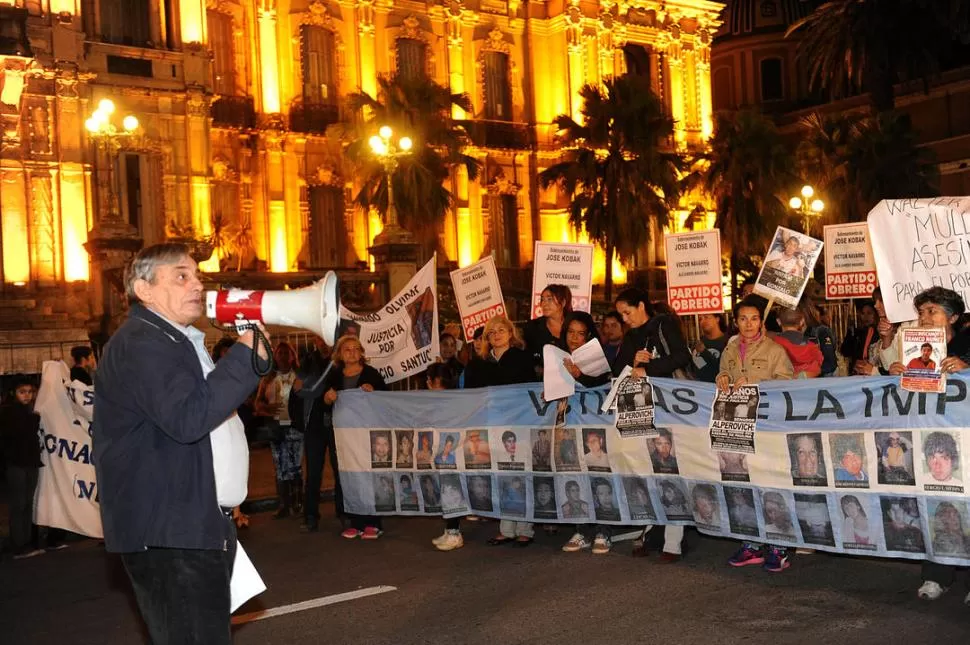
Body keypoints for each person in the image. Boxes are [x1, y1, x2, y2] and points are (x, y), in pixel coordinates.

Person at [93, 243, 264, 644]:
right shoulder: (143, 343)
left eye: (197, 276)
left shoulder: (173, 339)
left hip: (192, 525)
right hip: (171, 533)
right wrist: (244, 358)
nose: (197, 285)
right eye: (181, 276)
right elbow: (188, 419)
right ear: (144, 289)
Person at [613, 287, 692, 562]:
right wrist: (634, 362)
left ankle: (673, 540)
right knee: (646, 472)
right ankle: (651, 531)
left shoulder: (663, 323)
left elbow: (682, 357)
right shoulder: (631, 336)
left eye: (627, 312)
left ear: (642, 305)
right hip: (643, 409)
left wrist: (650, 368)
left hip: (671, 406)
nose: (624, 319)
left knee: (670, 469)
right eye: (621, 314)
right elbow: (619, 372)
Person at [718, 296, 794, 573]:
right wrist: (722, 378)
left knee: (772, 484)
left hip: (767, 426)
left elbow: (787, 383)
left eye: (753, 318)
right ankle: (751, 544)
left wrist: (756, 383)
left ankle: (779, 547)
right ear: (735, 322)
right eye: (742, 318)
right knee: (744, 484)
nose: (748, 324)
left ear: (761, 321)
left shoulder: (775, 350)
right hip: (738, 427)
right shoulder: (729, 349)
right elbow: (723, 371)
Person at [302, 334, 387, 540]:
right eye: (347, 349)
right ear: (340, 354)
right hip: (342, 436)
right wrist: (328, 399)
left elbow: (386, 399)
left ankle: (373, 523)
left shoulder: (371, 374)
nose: (352, 352)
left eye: (356, 349)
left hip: (365, 434)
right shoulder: (334, 375)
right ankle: (355, 521)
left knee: (367, 474)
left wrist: (373, 392)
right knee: (348, 475)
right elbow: (323, 404)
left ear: (362, 353)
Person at [289, 336, 339, 533]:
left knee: (340, 470)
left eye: (326, 339)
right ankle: (311, 515)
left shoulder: (340, 359)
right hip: (314, 424)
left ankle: (343, 512)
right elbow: (298, 388)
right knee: (313, 473)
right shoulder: (309, 360)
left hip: (337, 423)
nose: (323, 343)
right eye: (320, 339)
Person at [255, 341, 303, 519]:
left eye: (286, 353)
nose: (283, 356)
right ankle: (284, 504)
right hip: (275, 427)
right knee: (280, 467)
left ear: (293, 356)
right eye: (280, 353)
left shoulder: (299, 376)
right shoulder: (267, 378)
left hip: (295, 427)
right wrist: (267, 409)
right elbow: (257, 403)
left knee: (295, 466)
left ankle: (298, 502)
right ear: (275, 356)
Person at [1, 376, 45, 559]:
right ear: (14, 393)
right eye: (22, 392)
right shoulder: (9, 413)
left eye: (30, 392)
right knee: (19, 504)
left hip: (30, 462)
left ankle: (24, 542)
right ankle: (18, 544)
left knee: (27, 503)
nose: (27, 396)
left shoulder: (31, 412)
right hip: (16, 464)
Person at [463, 315, 537, 388]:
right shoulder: (475, 365)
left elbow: (531, 388)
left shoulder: (523, 359)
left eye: (501, 330)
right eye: (491, 332)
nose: (496, 334)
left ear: (510, 334)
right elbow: (470, 394)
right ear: (488, 338)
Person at [523, 284, 572, 369]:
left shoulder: (575, 326)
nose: (544, 304)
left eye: (549, 299)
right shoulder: (532, 327)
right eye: (542, 299)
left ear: (563, 302)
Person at [562, 311, 611, 388]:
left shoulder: (598, 357)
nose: (574, 337)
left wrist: (580, 376)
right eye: (571, 331)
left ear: (588, 335)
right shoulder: (556, 352)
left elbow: (603, 383)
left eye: (580, 333)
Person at [772, 308, 823, 379]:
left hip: (784, 385)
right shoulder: (813, 345)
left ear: (778, 321)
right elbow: (819, 364)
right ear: (802, 321)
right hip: (808, 384)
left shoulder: (773, 344)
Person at [840, 300, 878, 368]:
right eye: (863, 313)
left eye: (869, 313)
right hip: (859, 372)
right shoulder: (857, 333)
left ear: (875, 314)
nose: (865, 317)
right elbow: (845, 351)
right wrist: (850, 333)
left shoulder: (880, 332)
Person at [692, 313, 728, 383]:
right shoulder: (698, 343)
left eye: (706, 317)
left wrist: (705, 353)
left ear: (717, 319)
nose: (703, 321)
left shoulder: (728, 342)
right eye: (700, 319)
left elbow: (725, 369)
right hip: (699, 390)